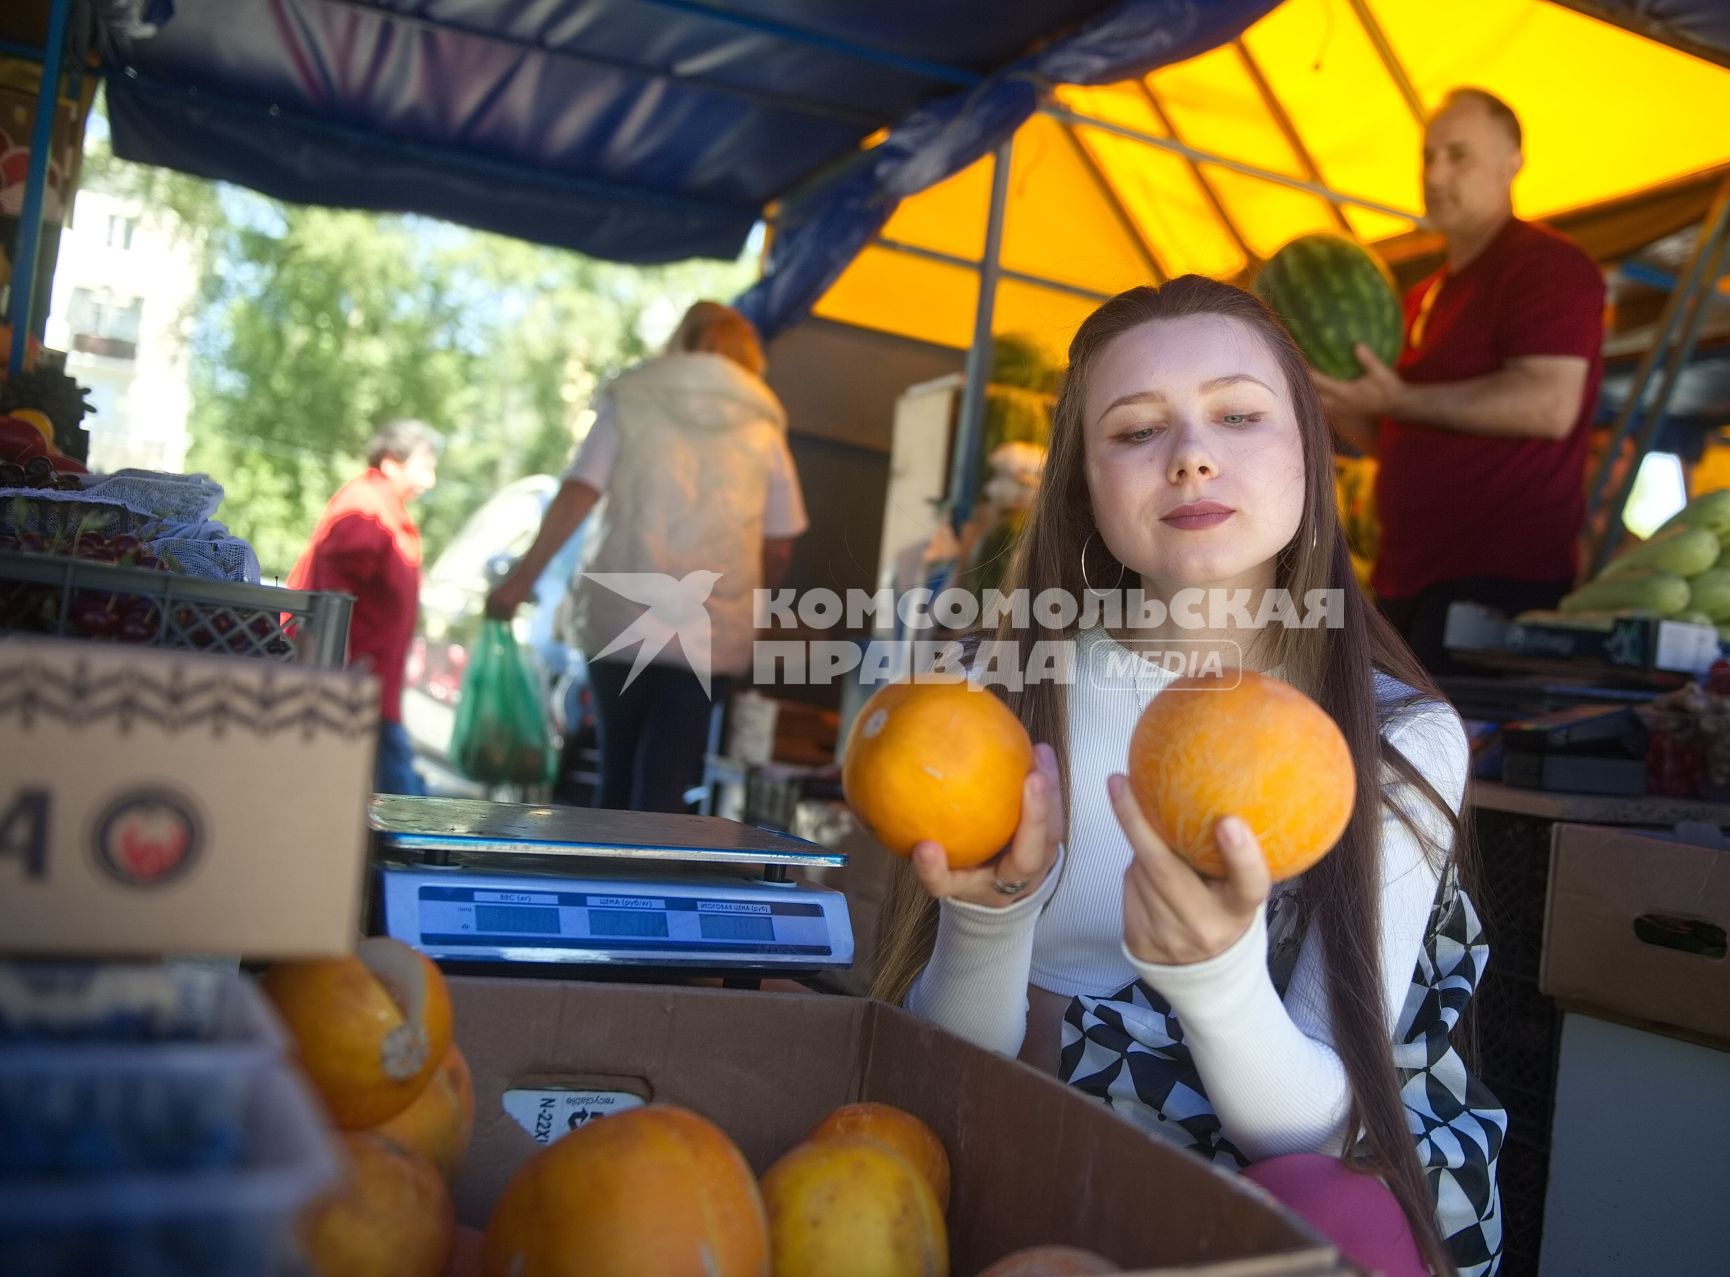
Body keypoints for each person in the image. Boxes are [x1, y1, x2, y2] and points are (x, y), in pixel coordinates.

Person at [868, 277, 1505, 1276]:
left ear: (1310, 454)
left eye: (1240, 414)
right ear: (1084, 487)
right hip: (1035, 1172)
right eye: (1135, 431)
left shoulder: (1400, 734)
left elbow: (1316, 1138)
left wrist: (1215, 978)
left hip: (1257, 1193)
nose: (1192, 453)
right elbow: (939, 1079)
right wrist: (989, 919)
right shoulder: (1006, 689)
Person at [1314, 87, 1607, 674]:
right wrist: (1324, 391)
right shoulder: (1421, 295)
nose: (1435, 173)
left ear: (1511, 163)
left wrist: (1398, 397)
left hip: (1497, 588)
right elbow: (1394, 433)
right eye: (1428, 155)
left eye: (1458, 155)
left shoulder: (1546, 266)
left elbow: (1549, 404)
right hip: (1408, 579)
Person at [486, 301, 807, 814]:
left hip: (622, 616)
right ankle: (649, 881)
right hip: (709, 627)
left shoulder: (632, 398)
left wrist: (521, 579)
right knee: (668, 781)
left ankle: (601, 882)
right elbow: (781, 541)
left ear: (684, 339)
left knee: (615, 769)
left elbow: (578, 492)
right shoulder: (764, 428)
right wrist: (757, 609)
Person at [289, 418, 443, 796]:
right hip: (356, 683)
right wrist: (337, 669)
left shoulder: (385, 508)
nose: (431, 480)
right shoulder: (366, 509)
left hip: (371, 684)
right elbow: (330, 592)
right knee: (398, 799)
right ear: (391, 462)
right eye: (424, 466)